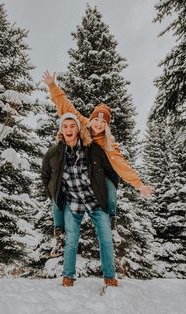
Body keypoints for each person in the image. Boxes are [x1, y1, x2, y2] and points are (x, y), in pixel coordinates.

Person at [42, 71, 154, 254]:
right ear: (92, 119)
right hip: (79, 174)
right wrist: (52, 86)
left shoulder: (108, 143)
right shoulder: (82, 124)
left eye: (103, 123)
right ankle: (59, 233)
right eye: (97, 120)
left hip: (100, 175)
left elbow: (121, 165)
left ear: (107, 126)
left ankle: (112, 226)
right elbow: (66, 107)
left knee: (111, 191)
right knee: (58, 192)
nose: (99, 125)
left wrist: (139, 185)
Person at [41, 112, 119, 287]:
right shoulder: (54, 153)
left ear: (78, 129)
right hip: (72, 201)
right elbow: (45, 175)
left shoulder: (92, 149)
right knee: (71, 238)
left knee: (106, 238)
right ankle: (68, 276)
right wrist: (52, 193)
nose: (68, 129)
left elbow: (111, 172)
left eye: (72, 126)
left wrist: (108, 192)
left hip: (95, 200)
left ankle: (109, 277)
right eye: (65, 126)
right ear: (61, 130)